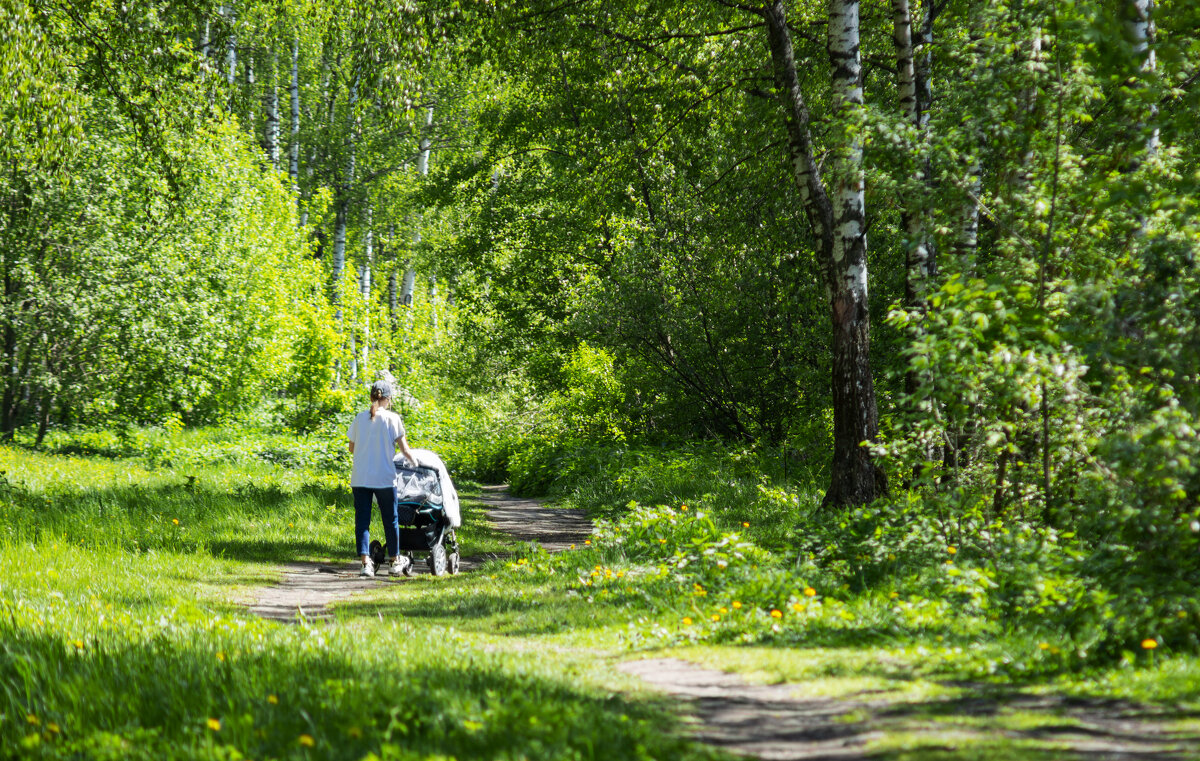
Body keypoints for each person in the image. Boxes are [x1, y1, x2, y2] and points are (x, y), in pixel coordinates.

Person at [347, 379, 419, 577]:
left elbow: (352, 448)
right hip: (384, 478)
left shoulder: (359, 418)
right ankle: (395, 561)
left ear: (371, 397)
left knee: (362, 521)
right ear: (388, 399)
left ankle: (365, 564)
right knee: (391, 519)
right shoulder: (392, 419)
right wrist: (415, 461)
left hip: (360, 477)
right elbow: (405, 450)